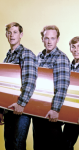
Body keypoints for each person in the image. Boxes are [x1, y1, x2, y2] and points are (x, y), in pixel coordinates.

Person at [0, 22, 38, 150]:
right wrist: (1, 111)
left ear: (21, 34)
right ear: (6, 34)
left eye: (15, 32)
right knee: (9, 145)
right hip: (8, 109)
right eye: (9, 32)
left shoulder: (26, 54)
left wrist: (21, 104)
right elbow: (3, 88)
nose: (12, 35)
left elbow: (30, 81)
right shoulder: (7, 58)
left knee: (17, 145)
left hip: (21, 109)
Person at [32, 25, 70, 150]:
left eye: (52, 38)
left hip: (51, 111)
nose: (49, 42)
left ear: (57, 39)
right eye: (46, 38)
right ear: (42, 39)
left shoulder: (61, 58)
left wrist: (55, 109)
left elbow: (62, 86)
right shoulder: (39, 57)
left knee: (53, 146)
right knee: (39, 146)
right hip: (37, 110)